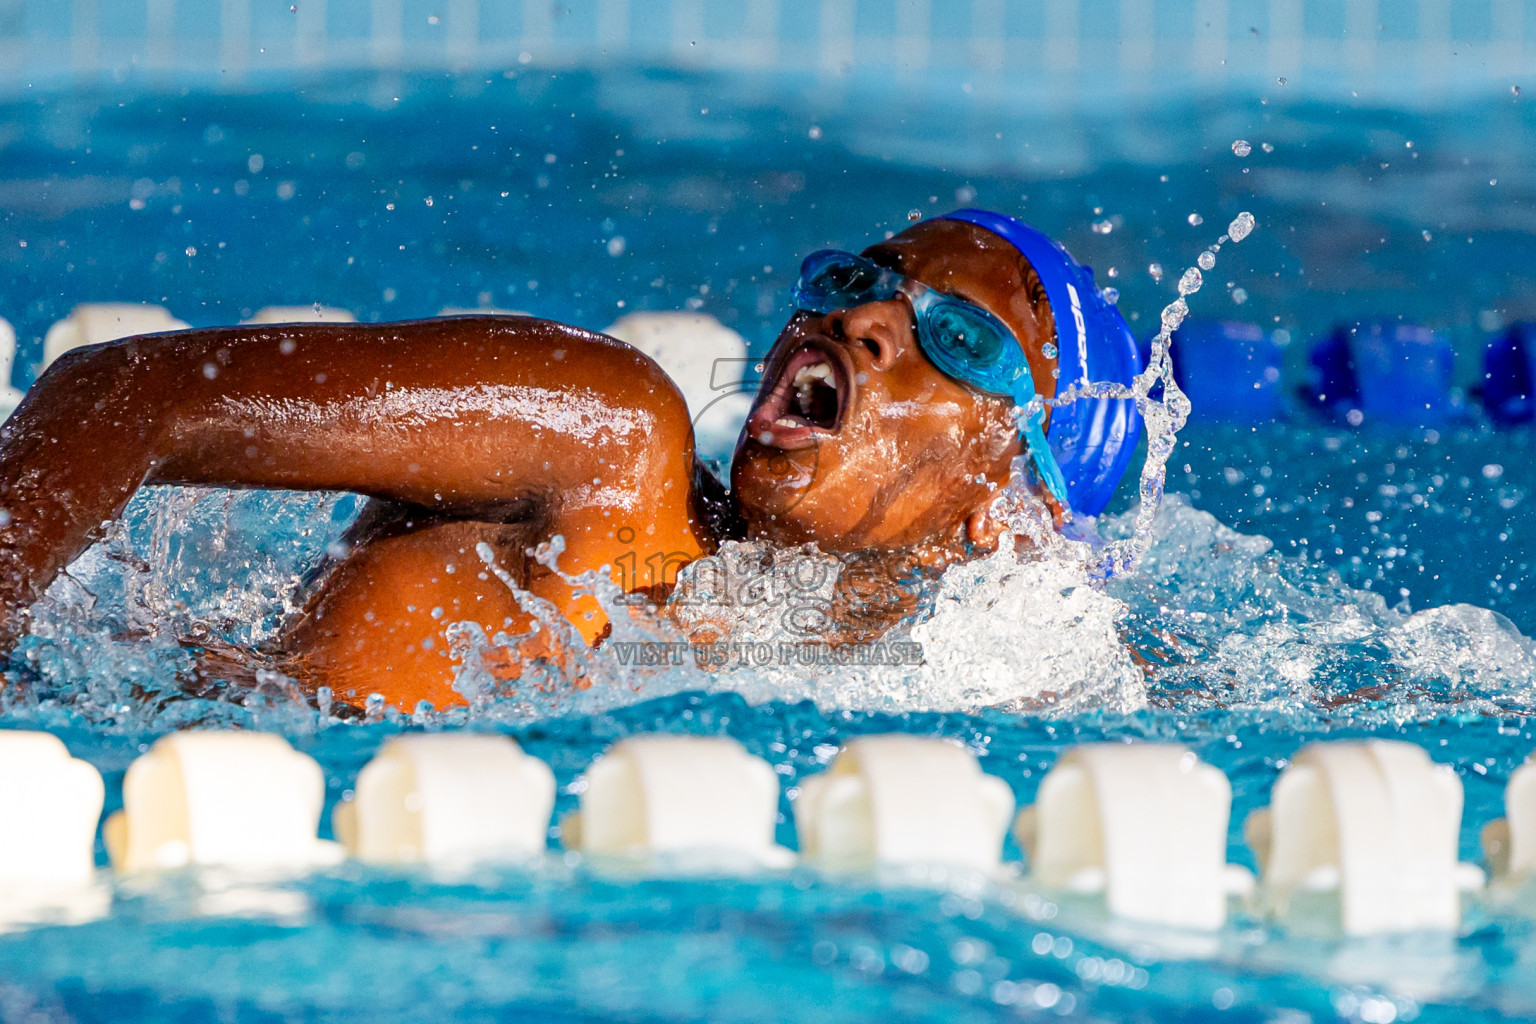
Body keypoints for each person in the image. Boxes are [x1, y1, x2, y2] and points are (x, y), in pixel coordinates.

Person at [0, 210, 1140, 710]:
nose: (871, 319)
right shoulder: (608, 442)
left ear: (1011, 506)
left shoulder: (943, 692)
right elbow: (122, 393)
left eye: (959, 339)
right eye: (858, 278)